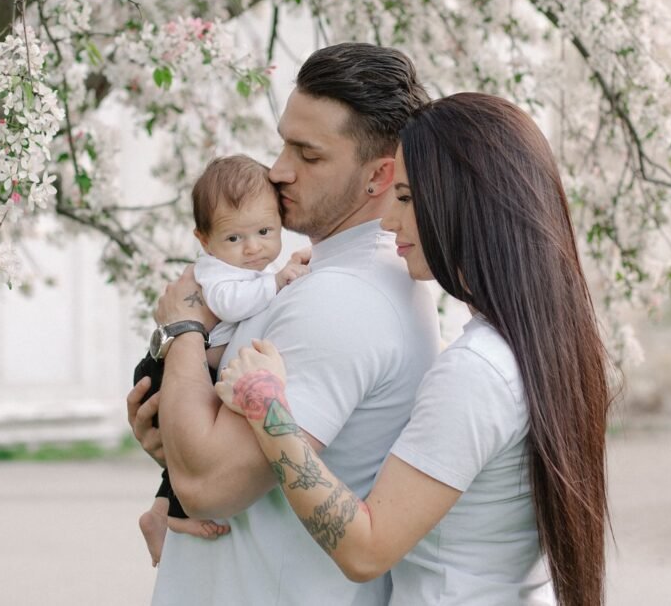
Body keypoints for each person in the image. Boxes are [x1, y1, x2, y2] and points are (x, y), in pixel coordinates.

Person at [217, 93, 610, 605]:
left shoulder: (477, 371)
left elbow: (366, 550)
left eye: (404, 198)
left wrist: (268, 409)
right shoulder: (539, 347)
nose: (388, 221)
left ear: (461, 202)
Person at [127, 43, 440, 605]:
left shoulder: (342, 300)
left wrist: (181, 331)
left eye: (308, 154)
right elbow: (208, 461)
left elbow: (208, 487)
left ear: (378, 176)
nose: (278, 169)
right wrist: (174, 435)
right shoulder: (330, 277)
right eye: (282, 143)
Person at [133, 154, 310, 566]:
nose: (252, 247)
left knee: (181, 448)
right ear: (204, 239)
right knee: (190, 445)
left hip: (192, 363)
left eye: (265, 231)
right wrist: (278, 280)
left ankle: (159, 514)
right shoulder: (215, 273)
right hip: (162, 370)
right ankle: (178, 514)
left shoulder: (247, 269)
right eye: (234, 238)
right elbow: (228, 305)